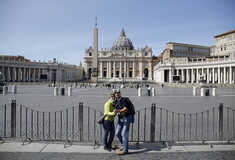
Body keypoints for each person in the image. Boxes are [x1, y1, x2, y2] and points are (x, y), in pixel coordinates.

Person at [114, 89, 132, 155]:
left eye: (118, 92)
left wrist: (118, 111)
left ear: (120, 93)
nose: (117, 93)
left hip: (126, 118)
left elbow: (125, 109)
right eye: (115, 92)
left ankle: (125, 150)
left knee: (124, 133)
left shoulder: (123, 100)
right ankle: (124, 145)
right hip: (121, 118)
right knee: (117, 133)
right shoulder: (116, 101)